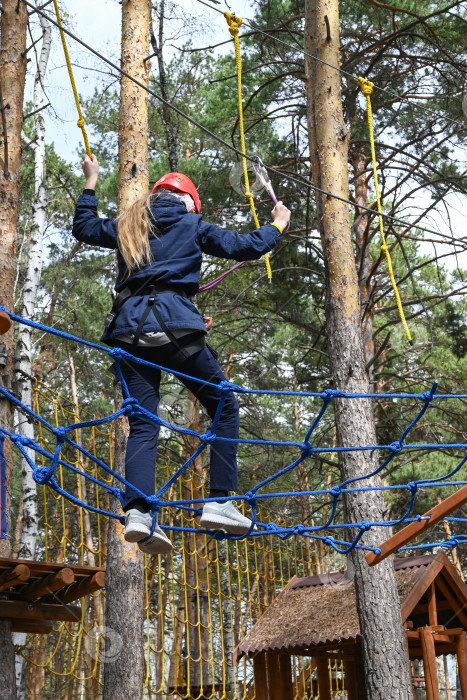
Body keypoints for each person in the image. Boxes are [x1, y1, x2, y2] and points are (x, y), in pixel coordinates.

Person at [72, 154, 291, 554]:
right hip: (177, 330)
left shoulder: (129, 224)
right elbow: (247, 246)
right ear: (189, 201)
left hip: (130, 332)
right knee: (224, 406)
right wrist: (277, 223)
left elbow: (84, 227)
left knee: (143, 422)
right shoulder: (192, 223)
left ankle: (137, 512)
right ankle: (220, 500)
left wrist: (91, 181)